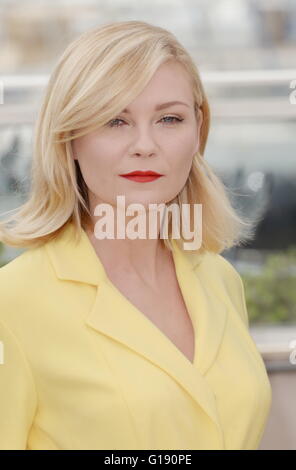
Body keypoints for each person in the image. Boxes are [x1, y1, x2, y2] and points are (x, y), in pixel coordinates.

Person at [0, 20, 272, 450]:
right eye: (115, 121)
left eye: (169, 118)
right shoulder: (11, 302)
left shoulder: (220, 279)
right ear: (69, 137)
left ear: (198, 130)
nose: (145, 145)